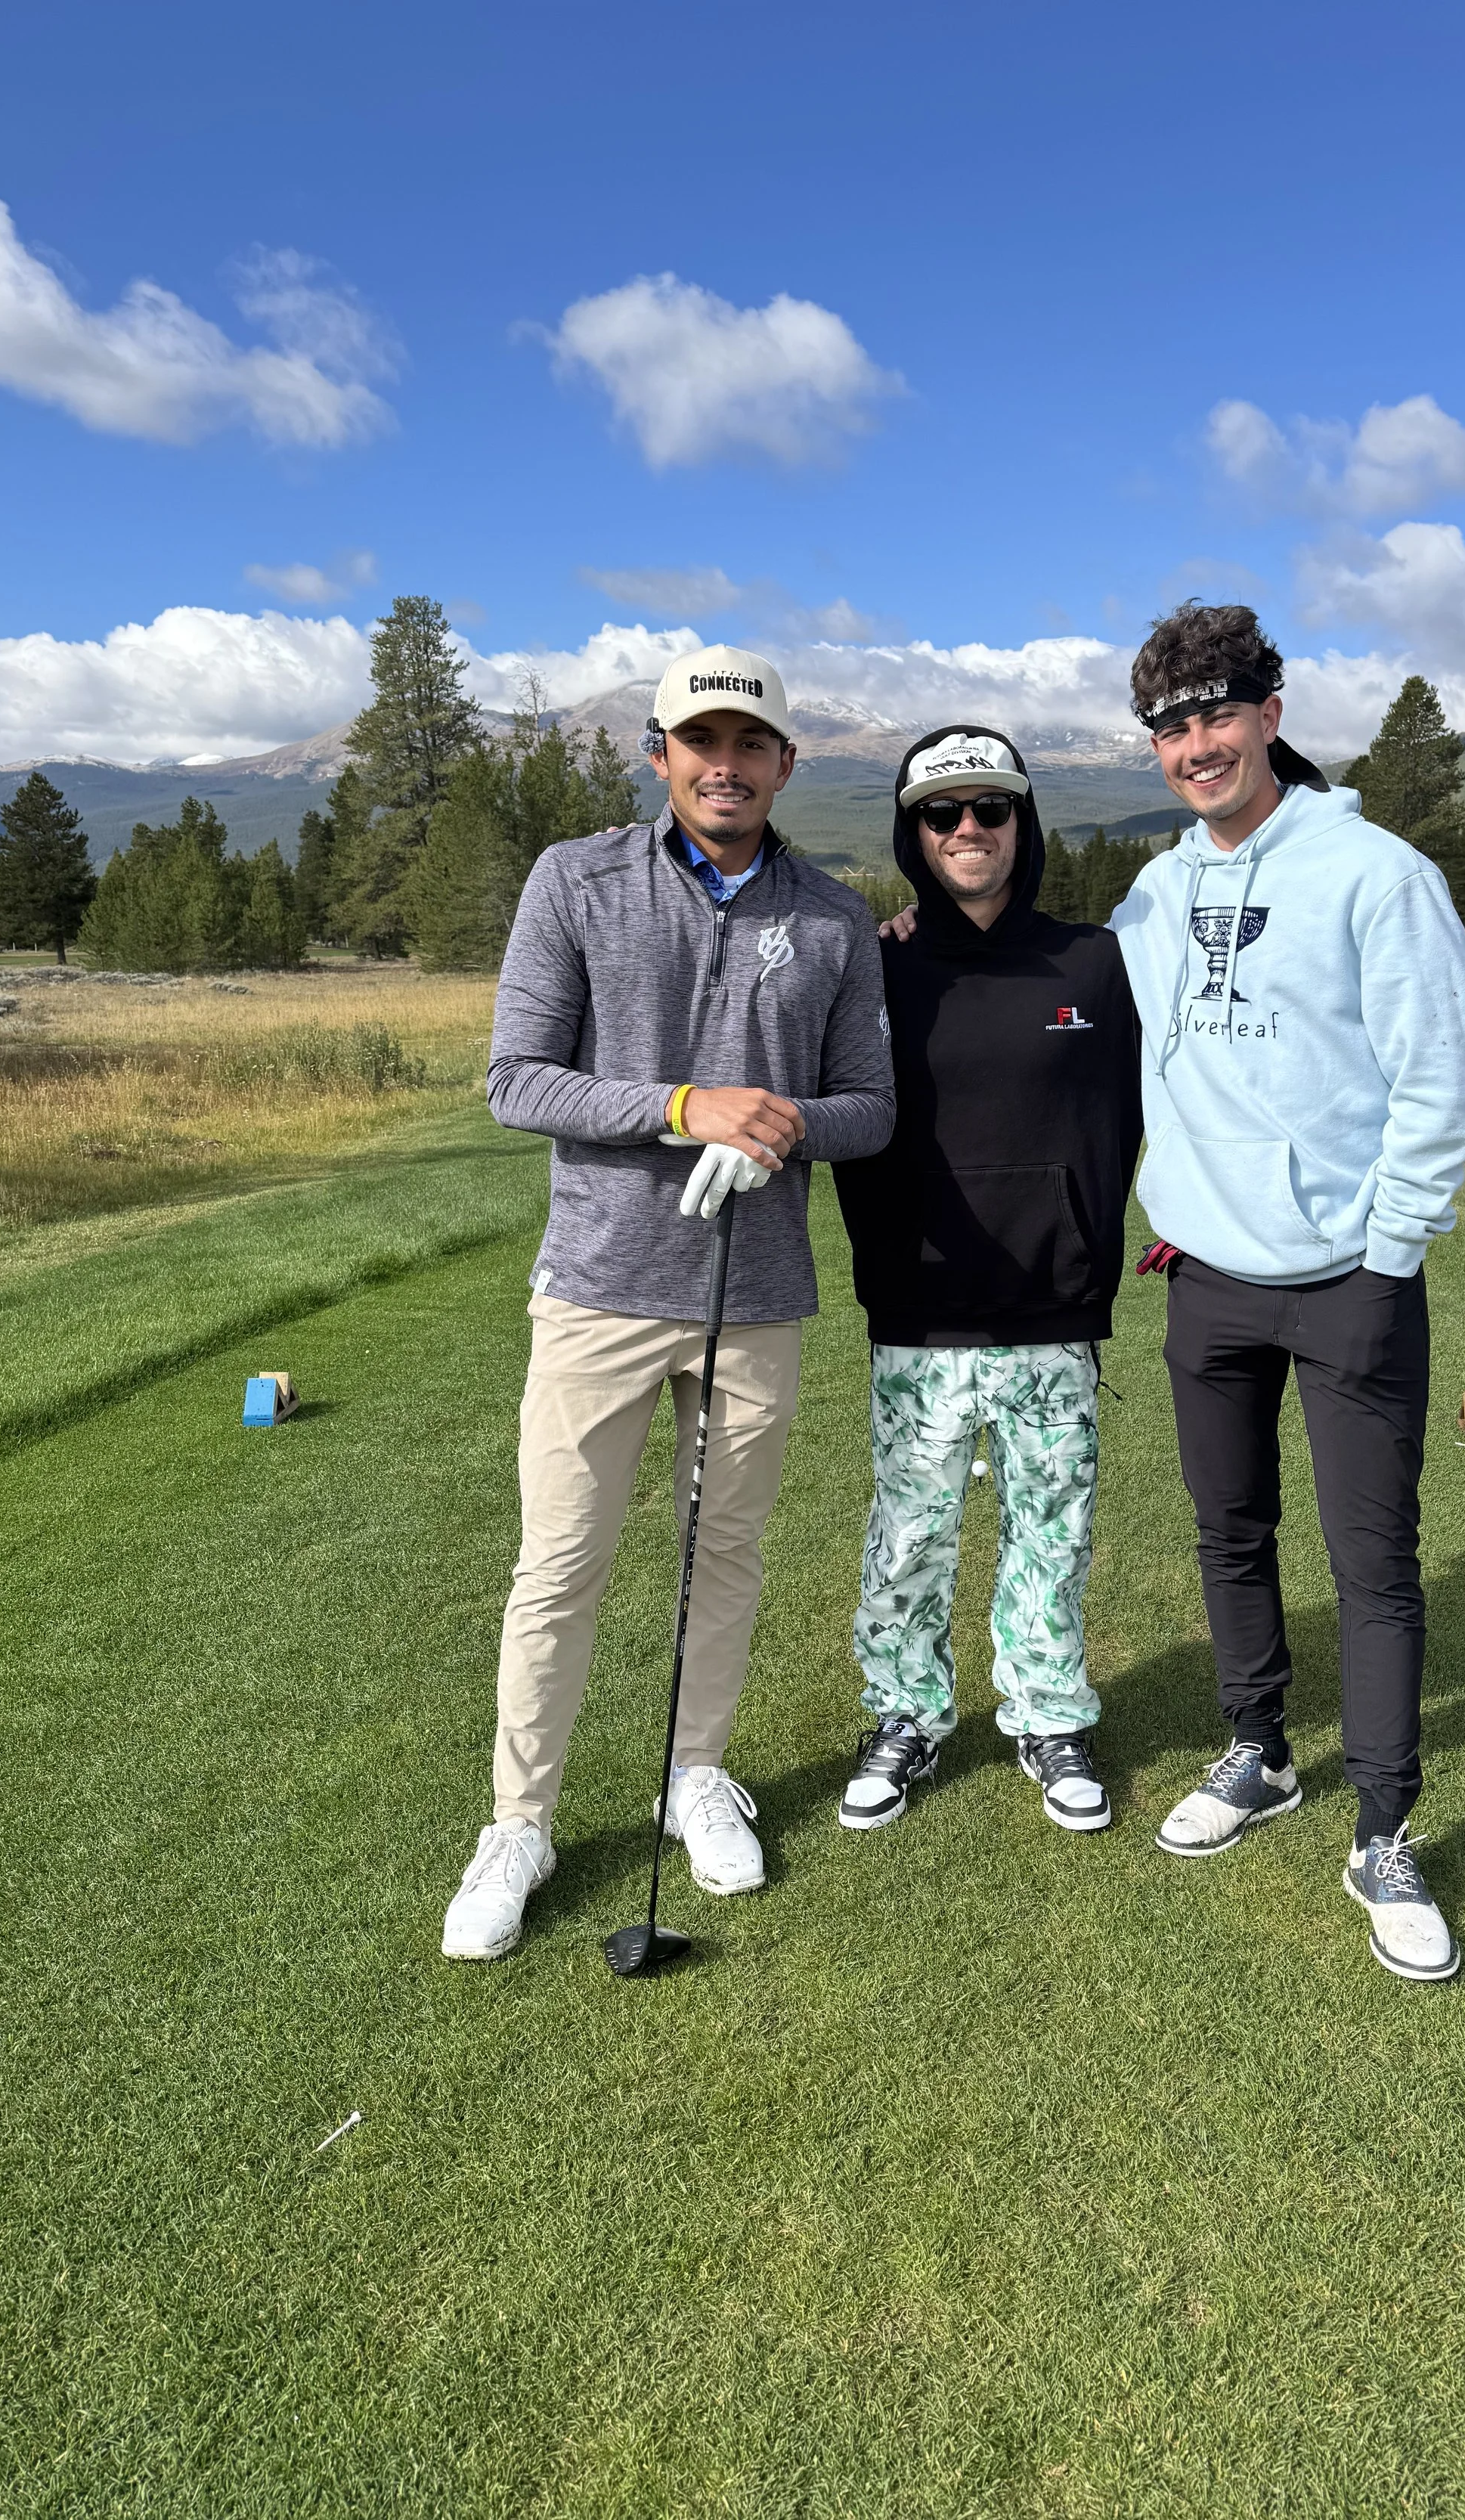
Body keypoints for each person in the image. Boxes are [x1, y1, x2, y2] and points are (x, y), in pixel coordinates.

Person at [441, 646, 894, 1961]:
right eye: (701, 742)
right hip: (598, 1286)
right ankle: (518, 1824)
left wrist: (788, 1123)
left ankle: (697, 1773)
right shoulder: (576, 880)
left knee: (726, 1556)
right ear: (660, 757)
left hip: (754, 1296)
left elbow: (872, 1110)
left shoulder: (834, 914)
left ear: (785, 765)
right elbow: (517, 1080)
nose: (725, 764)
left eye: (750, 745)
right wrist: (683, 1106)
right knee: (560, 1568)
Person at [1109, 604, 1465, 1981]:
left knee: (1373, 1566)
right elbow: (1080, 1001)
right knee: (1230, 1536)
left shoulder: (1375, 873)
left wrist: (1388, 1255)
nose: (1193, 745)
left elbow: (1444, 1088)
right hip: (1207, 1279)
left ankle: (1385, 1829)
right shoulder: (1157, 893)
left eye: (1215, 713)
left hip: (1349, 1281)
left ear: (1272, 712)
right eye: (1168, 725)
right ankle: (1261, 1751)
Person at [832, 727, 1141, 1835]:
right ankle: (905, 1712)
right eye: (942, 814)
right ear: (912, 834)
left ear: (1025, 824)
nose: (969, 830)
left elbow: (1140, 1115)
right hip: (919, 1312)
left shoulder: (1095, 962)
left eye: (992, 810)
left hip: (1053, 1312)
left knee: (1050, 1528)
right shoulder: (874, 966)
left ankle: (1048, 1712)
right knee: (910, 1532)